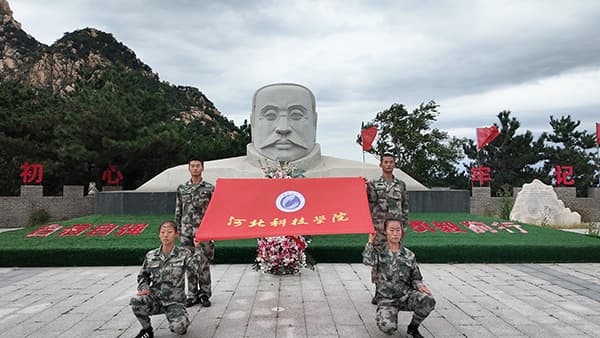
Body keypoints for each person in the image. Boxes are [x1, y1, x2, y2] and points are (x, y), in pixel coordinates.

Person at [136, 83, 428, 192]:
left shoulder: (370, 176)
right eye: (271, 115)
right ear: (252, 122)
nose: (284, 127)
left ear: (315, 121)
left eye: (298, 115)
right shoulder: (173, 179)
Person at [362, 218, 435, 338]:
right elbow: (367, 260)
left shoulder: (409, 255)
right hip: (387, 300)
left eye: (398, 230)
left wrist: (421, 286)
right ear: (386, 232)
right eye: (391, 230)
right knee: (388, 327)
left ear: (402, 232)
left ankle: (412, 329)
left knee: (428, 300)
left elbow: (416, 277)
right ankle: (383, 314)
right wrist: (370, 242)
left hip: (405, 296)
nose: (395, 233)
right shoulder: (379, 253)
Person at [130, 220, 203, 338]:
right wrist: (144, 287)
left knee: (179, 328)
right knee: (136, 301)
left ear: (176, 235)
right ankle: (147, 329)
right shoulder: (151, 255)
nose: (165, 235)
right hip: (156, 298)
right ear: (159, 234)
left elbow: (196, 269)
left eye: (169, 232)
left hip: (174, 302)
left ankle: (180, 318)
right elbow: (143, 275)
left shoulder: (183, 253)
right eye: (163, 232)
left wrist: (198, 249)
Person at [366, 152, 409, 304]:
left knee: (396, 259)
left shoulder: (401, 185)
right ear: (381, 164)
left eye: (391, 162)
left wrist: (404, 227)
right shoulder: (373, 185)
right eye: (386, 162)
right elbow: (368, 203)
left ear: (394, 164)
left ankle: (395, 290)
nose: (389, 164)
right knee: (379, 260)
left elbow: (405, 206)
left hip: (396, 230)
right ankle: (379, 291)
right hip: (379, 228)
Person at [175, 158, 214, 308]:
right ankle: (192, 294)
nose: (195, 168)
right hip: (186, 232)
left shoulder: (210, 188)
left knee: (203, 262)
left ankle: (204, 293)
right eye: (193, 166)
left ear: (202, 168)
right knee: (189, 263)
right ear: (189, 168)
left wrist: (212, 231)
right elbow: (178, 209)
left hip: (203, 231)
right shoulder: (182, 188)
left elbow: (214, 211)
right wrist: (177, 228)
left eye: (198, 166)